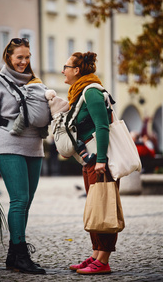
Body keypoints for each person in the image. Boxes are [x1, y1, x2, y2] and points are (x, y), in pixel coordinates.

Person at [0, 38, 47, 275]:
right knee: (19, 199)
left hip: (35, 146)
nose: (24, 61)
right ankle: (20, 254)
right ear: (8, 56)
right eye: (19, 57)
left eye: (27, 56)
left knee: (27, 201)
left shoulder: (35, 81)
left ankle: (13, 255)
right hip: (8, 144)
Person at [62, 51, 120, 275]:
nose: (63, 71)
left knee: (104, 206)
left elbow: (103, 127)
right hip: (90, 159)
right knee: (95, 206)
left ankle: (103, 260)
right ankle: (96, 254)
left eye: (65, 67)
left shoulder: (92, 91)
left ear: (76, 71)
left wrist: (102, 161)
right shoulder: (78, 93)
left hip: (100, 160)